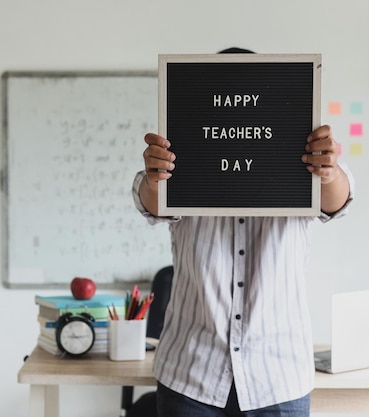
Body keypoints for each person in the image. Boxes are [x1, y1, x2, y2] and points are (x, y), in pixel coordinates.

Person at [131, 48, 354, 417]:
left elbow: (337, 201)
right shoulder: (181, 155)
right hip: (191, 372)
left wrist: (329, 172)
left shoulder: (303, 156)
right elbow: (149, 200)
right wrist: (157, 177)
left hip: (278, 376)